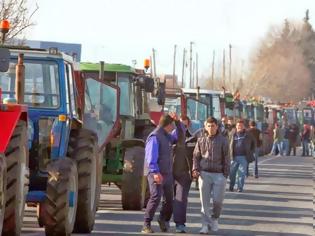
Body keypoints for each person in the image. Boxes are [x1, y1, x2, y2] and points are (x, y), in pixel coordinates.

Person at [142, 113, 180, 234]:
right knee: (156, 197)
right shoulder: (155, 137)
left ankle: (163, 219)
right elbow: (151, 157)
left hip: (167, 173)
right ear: (167, 125)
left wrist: (178, 123)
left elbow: (178, 136)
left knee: (169, 200)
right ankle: (146, 224)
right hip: (156, 173)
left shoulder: (166, 136)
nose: (173, 127)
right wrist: (155, 172)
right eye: (172, 125)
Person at [192, 117, 230, 234]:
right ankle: (204, 225)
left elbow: (227, 158)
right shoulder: (201, 140)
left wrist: (225, 174)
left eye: (213, 126)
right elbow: (196, 156)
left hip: (219, 175)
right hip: (205, 174)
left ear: (217, 127)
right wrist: (195, 169)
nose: (211, 128)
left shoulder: (223, 140)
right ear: (205, 126)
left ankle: (215, 218)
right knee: (204, 203)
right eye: (208, 126)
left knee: (218, 202)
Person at [172, 115, 192, 233]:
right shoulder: (169, 138)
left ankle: (180, 224)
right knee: (168, 200)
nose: (182, 128)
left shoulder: (193, 138)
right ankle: (163, 218)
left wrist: (194, 171)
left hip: (184, 174)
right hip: (169, 173)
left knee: (180, 199)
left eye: (184, 126)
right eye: (179, 125)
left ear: (188, 125)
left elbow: (197, 156)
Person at [229, 119, 255, 192]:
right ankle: (231, 185)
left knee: (241, 173)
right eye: (238, 125)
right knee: (232, 173)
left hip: (243, 157)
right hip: (233, 157)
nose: (239, 127)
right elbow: (228, 143)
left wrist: (250, 151)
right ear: (236, 126)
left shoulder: (248, 134)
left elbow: (253, 143)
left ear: (243, 127)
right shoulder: (232, 134)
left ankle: (240, 187)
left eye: (241, 126)